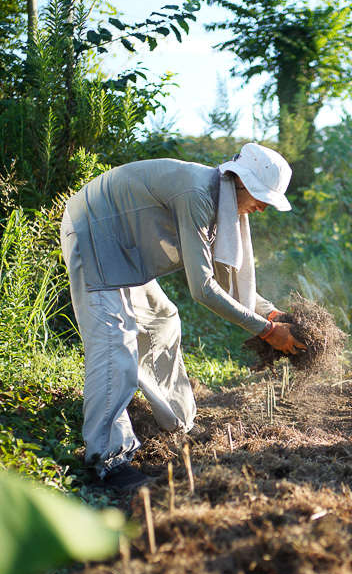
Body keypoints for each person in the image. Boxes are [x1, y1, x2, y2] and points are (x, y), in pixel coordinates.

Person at [60, 143, 306, 492]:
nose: (263, 208)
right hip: (94, 230)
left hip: (125, 248)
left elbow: (229, 278)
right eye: (261, 196)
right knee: (116, 341)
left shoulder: (224, 204)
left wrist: (272, 313)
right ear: (239, 180)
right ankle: (108, 461)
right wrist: (267, 331)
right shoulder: (198, 194)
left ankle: (176, 424)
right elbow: (203, 289)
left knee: (163, 319)